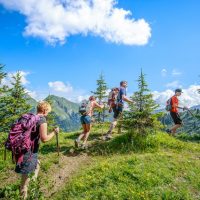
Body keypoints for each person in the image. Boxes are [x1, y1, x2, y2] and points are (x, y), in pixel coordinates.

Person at [15, 101, 59, 199]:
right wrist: (54, 132)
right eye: (48, 111)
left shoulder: (31, 118)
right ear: (44, 110)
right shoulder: (42, 120)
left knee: (37, 164)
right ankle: (24, 196)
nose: (48, 113)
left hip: (23, 151)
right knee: (24, 183)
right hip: (28, 153)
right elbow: (44, 139)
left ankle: (33, 188)